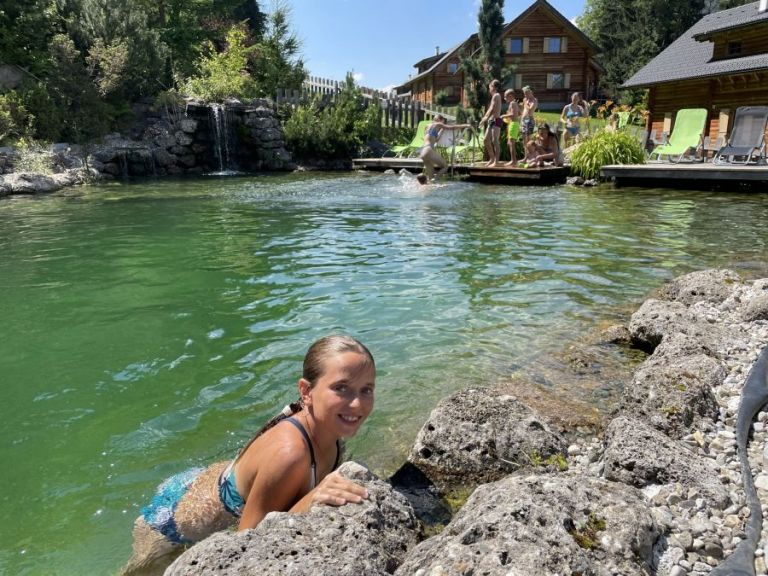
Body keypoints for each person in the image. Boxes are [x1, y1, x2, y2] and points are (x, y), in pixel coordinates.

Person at [120, 335, 376, 576]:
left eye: (366, 389)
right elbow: (245, 541)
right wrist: (312, 498)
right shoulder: (290, 454)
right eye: (341, 388)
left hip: (206, 484)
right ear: (306, 392)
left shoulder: (330, 430)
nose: (357, 403)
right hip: (172, 522)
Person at [418, 114, 472, 181]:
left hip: (423, 152)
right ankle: (435, 180)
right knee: (445, 167)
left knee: (430, 178)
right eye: (443, 122)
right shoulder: (438, 124)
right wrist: (466, 125)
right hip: (429, 150)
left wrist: (441, 130)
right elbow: (452, 128)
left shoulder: (427, 126)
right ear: (441, 120)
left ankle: (426, 185)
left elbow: (436, 140)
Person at [478, 79, 503, 167]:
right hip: (491, 120)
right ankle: (492, 158)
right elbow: (490, 109)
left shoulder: (497, 95)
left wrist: (485, 118)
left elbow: (492, 108)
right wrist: (486, 118)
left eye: (491, 85)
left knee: (495, 141)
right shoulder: (493, 96)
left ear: (495, 87)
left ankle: (496, 162)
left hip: (497, 120)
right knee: (486, 140)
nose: (489, 87)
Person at [500, 89, 521, 166]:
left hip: (513, 124)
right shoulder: (514, 103)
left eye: (506, 97)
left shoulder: (512, 103)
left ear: (511, 96)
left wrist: (504, 116)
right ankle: (514, 160)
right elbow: (519, 113)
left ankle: (513, 161)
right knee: (510, 143)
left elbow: (514, 114)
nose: (505, 99)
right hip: (513, 124)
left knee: (511, 143)